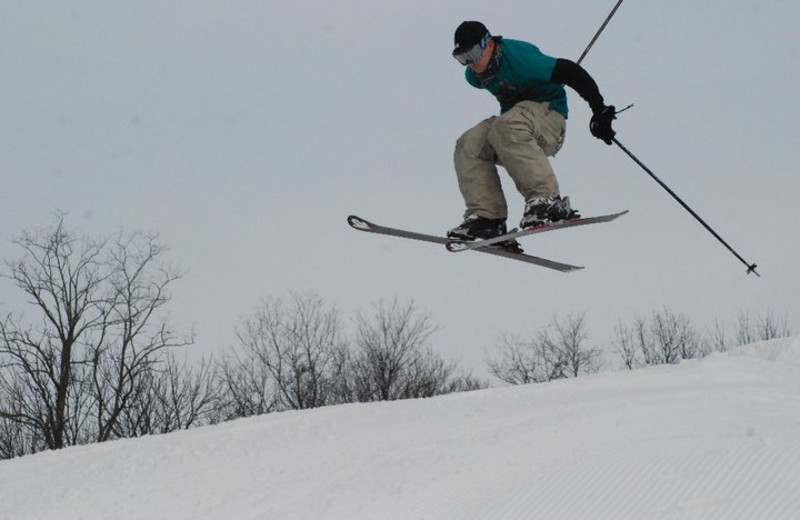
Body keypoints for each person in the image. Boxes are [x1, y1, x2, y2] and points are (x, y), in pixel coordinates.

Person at [447, 21, 616, 250]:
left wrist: (600, 110)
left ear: (489, 44)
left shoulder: (519, 58)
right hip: (513, 131)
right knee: (469, 144)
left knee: (507, 125)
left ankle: (547, 200)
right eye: (462, 58)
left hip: (549, 119)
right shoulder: (474, 76)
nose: (471, 63)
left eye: (474, 53)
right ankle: (487, 218)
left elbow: (569, 71)